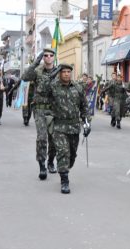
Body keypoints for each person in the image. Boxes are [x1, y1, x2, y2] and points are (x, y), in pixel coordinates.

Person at [46, 64, 90, 194]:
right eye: (63, 71)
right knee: (63, 152)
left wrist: (87, 123)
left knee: (72, 155)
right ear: (59, 73)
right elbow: (42, 88)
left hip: (74, 127)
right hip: (59, 126)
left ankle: (65, 167)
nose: (66, 74)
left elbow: (85, 106)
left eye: (68, 72)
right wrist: (53, 73)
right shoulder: (53, 87)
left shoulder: (78, 87)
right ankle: (64, 180)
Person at [21, 48, 58, 179]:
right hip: (40, 109)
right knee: (42, 137)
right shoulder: (37, 71)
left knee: (53, 138)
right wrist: (36, 62)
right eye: (45, 55)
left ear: (54, 57)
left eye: (50, 55)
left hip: (54, 110)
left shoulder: (59, 72)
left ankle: (50, 161)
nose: (48, 57)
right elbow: (24, 77)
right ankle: (42, 165)